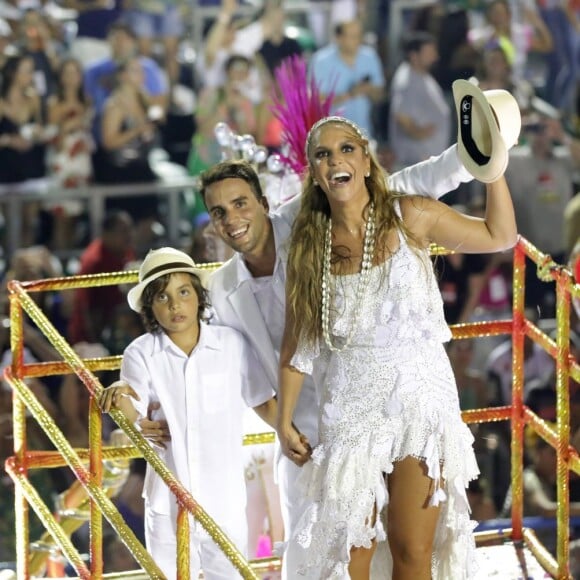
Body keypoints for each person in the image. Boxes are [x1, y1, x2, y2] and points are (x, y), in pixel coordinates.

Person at [198, 142, 475, 578]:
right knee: (321, 563)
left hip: (366, 406)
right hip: (304, 438)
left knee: (409, 545)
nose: (232, 219)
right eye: (219, 212)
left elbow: (398, 185)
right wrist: (284, 427)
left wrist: (469, 158)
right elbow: (247, 379)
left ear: (264, 204)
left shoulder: (306, 219)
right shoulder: (220, 290)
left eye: (240, 204)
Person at [276, 109, 518, 577]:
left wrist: (494, 170)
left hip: (418, 400)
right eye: (323, 154)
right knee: (348, 555)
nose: (335, 160)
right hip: (350, 406)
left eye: (346, 148)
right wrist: (283, 420)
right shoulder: (308, 246)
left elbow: (499, 235)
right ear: (315, 173)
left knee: (411, 550)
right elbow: (296, 340)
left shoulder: (412, 214)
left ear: (366, 160)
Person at [98, 247, 276, 579]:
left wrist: (293, 433)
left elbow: (262, 400)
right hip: (167, 502)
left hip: (223, 500)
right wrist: (121, 399)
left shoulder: (232, 344)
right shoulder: (142, 352)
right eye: (162, 297)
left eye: (183, 292)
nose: (175, 305)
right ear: (150, 306)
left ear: (198, 296)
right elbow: (131, 404)